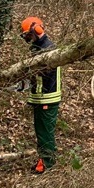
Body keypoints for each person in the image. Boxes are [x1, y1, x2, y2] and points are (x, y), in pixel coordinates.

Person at [19, 16, 62, 174]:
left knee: (45, 133)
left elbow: (43, 73)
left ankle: (48, 164)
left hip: (47, 98)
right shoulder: (36, 47)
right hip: (39, 97)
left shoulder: (49, 49)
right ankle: (43, 159)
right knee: (40, 131)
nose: (27, 39)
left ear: (36, 30)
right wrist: (24, 83)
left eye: (28, 35)